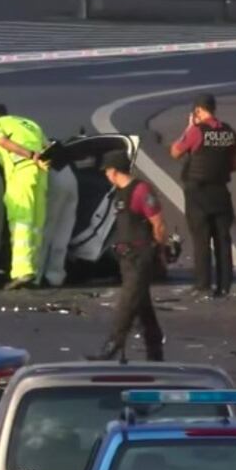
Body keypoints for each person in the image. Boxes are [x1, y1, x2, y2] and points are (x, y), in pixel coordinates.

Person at [87, 149, 166, 362]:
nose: (105, 175)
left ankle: (113, 344)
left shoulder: (141, 191)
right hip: (126, 258)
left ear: (114, 171)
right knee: (142, 305)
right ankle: (155, 350)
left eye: (107, 171)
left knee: (127, 302)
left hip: (141, 256)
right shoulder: (119, 192)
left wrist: (157, 250)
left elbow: (158, 224)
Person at [169, 94, 236, 297]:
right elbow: (234, 164)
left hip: (198, 193)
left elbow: (175, 151)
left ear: (198, 111)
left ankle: (203, 285)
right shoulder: (229, 132)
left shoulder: (196, 132)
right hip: (221, 192)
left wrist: (189, 128)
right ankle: (225, 284)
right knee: (222, 239)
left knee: (201, 239)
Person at [0, 104, 49, 290]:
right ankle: (34, 274)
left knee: (21, 221)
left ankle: (22, 272)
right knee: (36, 224)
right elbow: (48, 146)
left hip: (21, 172)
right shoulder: (30, 124)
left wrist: (30, 155)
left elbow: (3, 142)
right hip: (40, 174)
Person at [37, 149, 79, 287]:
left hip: (52, 175)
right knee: (63, 231)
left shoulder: (28, 146)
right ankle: (55, 275)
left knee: (45, 229)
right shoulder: (43, 141)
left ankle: (37, 275)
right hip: (69, 176)